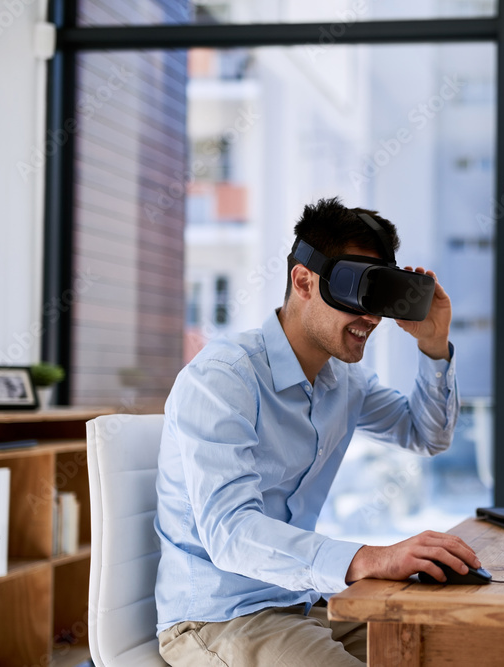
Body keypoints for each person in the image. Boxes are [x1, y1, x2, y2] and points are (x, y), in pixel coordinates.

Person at [154, 197, 481, 666]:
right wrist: (367, 558)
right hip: (220, 618)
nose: (371, 317)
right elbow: (230, 532)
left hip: (304, 600)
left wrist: (433, 346)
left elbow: (425, 434)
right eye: (357, 292)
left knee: (453, 645)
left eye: (378, 296)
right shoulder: (223, 379)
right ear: (303, 281)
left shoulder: (342, 381)